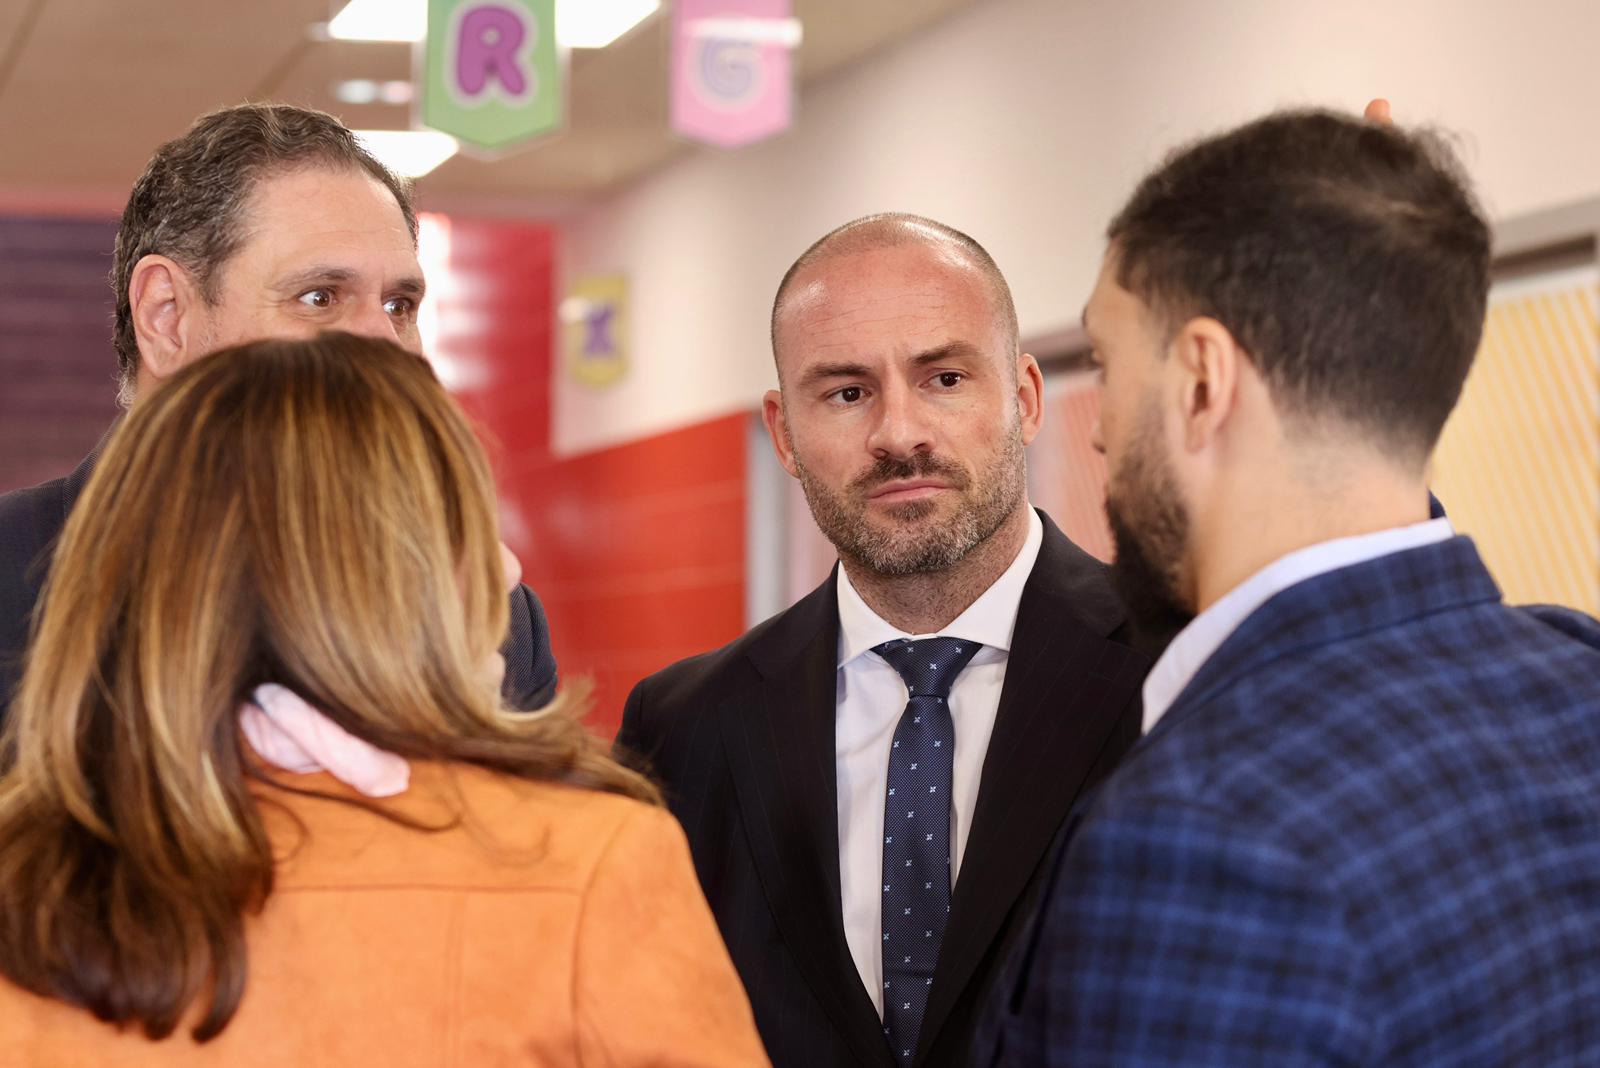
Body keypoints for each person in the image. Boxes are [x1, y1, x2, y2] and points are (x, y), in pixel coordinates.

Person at [979, 109, 1600, 1066]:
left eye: (1107, 363)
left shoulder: (1198, 839)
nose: (1096, 430)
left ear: (1201, 382)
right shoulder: (1577, 675)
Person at [0, 332, 769, 1067]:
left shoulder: (32, 872)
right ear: (374, 576)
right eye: (459, 526)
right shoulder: (589, 859)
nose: (505, 571)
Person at [616, 214, 1150, 1068]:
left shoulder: (1182, 670)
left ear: (1025, 398)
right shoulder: (682, 728)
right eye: (847, 392)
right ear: (784, 434)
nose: (899, 434)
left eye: (944, 378)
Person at [0, 103, 557, 718]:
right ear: (166, 315)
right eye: (319, 297)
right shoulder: (10, 573)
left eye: (398, 305)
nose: (384, 343)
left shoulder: (487, 618)